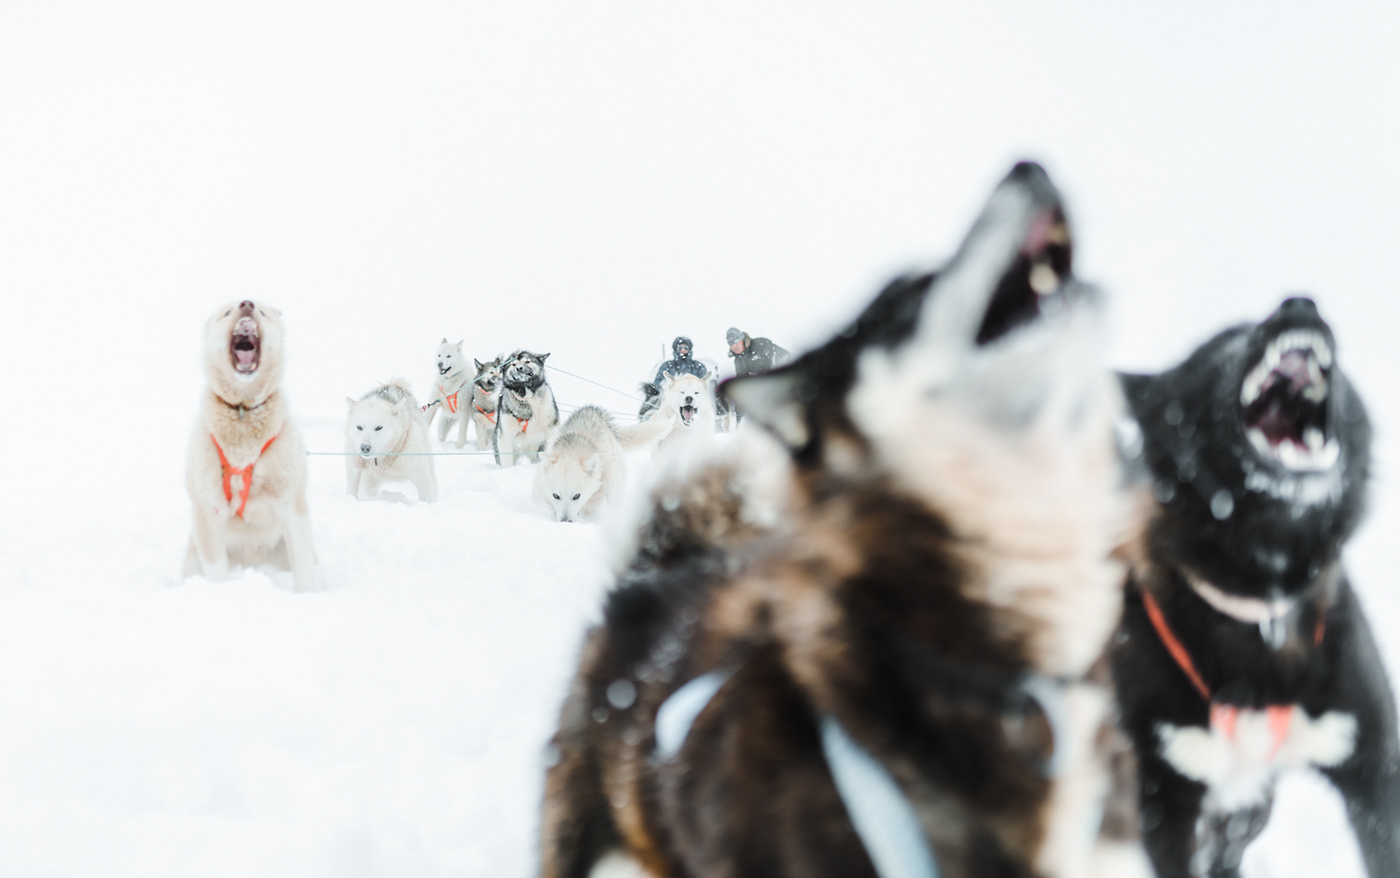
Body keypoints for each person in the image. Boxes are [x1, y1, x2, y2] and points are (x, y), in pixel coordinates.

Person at [640, 336, 709, 417]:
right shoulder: (667, 366)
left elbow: (704, 384)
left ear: (689, 350)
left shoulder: (698, 366)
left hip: (693, 397)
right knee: (655, 406)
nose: (683, 351)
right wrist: (665, 387)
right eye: (680, 348)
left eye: (685, 348)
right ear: (676, 350)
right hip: (668, 396)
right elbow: (658, 382)